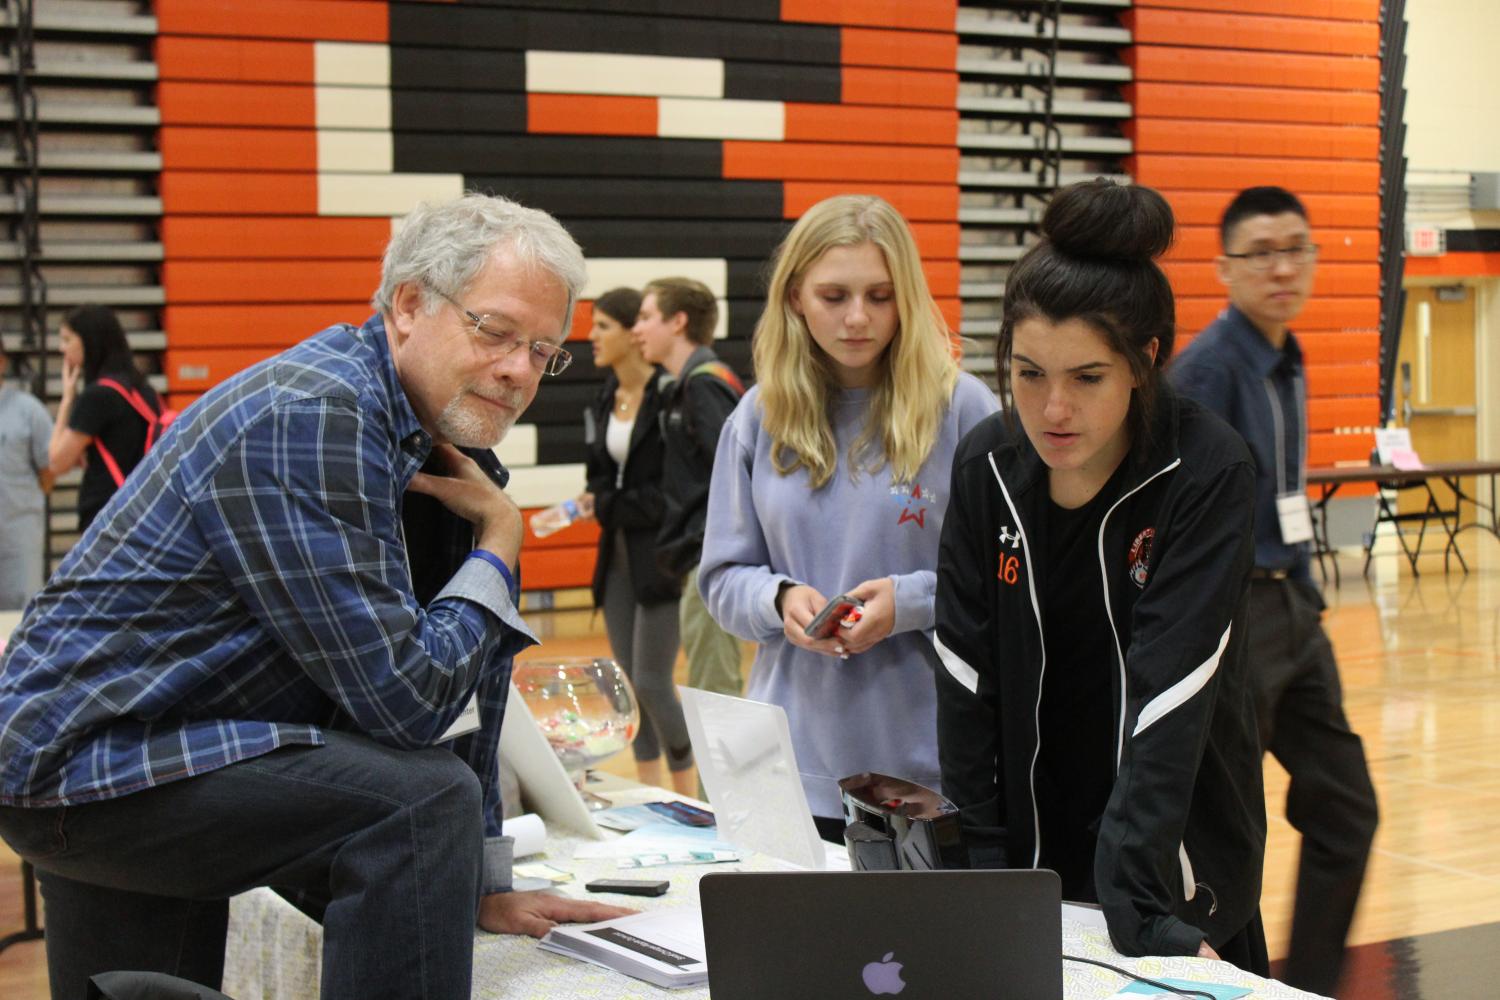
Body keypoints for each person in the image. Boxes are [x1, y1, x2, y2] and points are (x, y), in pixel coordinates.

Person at [0, 193, 631, 1000]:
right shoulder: (317, 415)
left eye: (544, 351)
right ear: (408, 305)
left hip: (149, 740)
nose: (519, 371)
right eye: (495, 331)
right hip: (95, 761)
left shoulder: (427, 435)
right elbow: (411, 708)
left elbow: (471, 693)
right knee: (415, 805)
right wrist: (501, 543)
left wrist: (481, 879)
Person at [934, 179, 1269, 970]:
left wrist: (1143, 909)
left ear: (1143, 363)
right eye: (1027, 375)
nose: (1052, 409)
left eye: (1087, 377)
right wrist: (984, 870)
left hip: (1170, 871)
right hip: (1029, 857)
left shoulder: (1205, 467)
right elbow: (962, 675)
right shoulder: (988, 463)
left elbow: (1171, 694)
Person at [697, 194, 999, 836]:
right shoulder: (757, 416)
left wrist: (911, 602)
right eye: (834, 296)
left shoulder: (964, 410)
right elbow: (722, 580)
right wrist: (779, 601)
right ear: (796, 298)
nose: (857, 318)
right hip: (789, 764)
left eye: (880, 296)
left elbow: (1012, 582)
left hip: (930, 769)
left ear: (908, 300)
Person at [1171, 185, 1378, 995]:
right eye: (1262, 252)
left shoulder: (1286, 357)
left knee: (1345, 808)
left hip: (1293, 602)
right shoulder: (1207, 371)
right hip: (1235, 620)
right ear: (1225, 267)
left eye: (1298, 247)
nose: (1283, 267)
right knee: (1223, 831)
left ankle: (1311, 986)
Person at [581, 286, 695, 794]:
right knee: (628, 684)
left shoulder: (670, 395)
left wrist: (606, 504)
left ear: (632, 333)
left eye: (602, 326)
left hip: (663, 558)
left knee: (652, 680)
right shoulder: (604, 395)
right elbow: (601, 477)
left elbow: (669, 494)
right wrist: (598, 500)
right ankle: (651, 794)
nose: (591, 337)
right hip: (618, 555)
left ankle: (690, 791)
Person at [631, 277, 746, 702]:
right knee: (707, 689)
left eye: (645, 318)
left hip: (709, 558)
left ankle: (717, 774)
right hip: (697, 558)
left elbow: (735, 474)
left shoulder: (705, 384)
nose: (636, 330)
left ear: (678, 321)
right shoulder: (685, 386)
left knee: (715, 695)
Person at [46, 304, 164, 532]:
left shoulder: (97, 397)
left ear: (89, 341)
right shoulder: (143, 389)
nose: (62, 348)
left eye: (67, 339)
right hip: (145, 515)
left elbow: (56, 462)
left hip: (107, 519)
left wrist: (67, 399)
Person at [0, 351, 53, 609]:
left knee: (21, 615)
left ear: (2, 361)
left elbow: (49, 471)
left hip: (18, 535)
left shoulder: (28, 409)